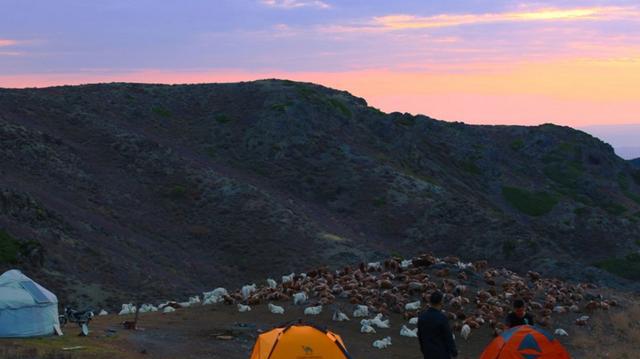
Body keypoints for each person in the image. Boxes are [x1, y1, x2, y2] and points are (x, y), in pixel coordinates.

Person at [417, 291, 458, 359]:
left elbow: (420, 336)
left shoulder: (422, 317)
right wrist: (454, 352)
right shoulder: (442, 318)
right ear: (441, 302)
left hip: (428, 352)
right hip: (442, 353)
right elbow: (448, 337)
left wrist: (423, 349)